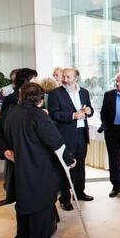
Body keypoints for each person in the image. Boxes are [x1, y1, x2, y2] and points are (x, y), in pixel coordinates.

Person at [0, 83, 75, 238]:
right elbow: (55, 142)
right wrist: (69, 160)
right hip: (38, 167)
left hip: (17, 167)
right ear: (40, 99)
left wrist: (5, 151)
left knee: (23, 202)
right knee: (42, 203)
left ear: (21, 96)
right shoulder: (39, 115)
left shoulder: (10, 112)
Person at [48, 66, 94, 211]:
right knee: (65, 167)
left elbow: (90, 110)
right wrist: (73, 115)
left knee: (80, 166)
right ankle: (65, 199)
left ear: (76, 78)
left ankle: (79, 193)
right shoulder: (55, 94)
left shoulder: (84, 92)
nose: (65, 79)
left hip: (82, 134)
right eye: (64, 76)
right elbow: (53, 114)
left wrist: (89, 111)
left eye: (68, 77)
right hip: (65, 136)